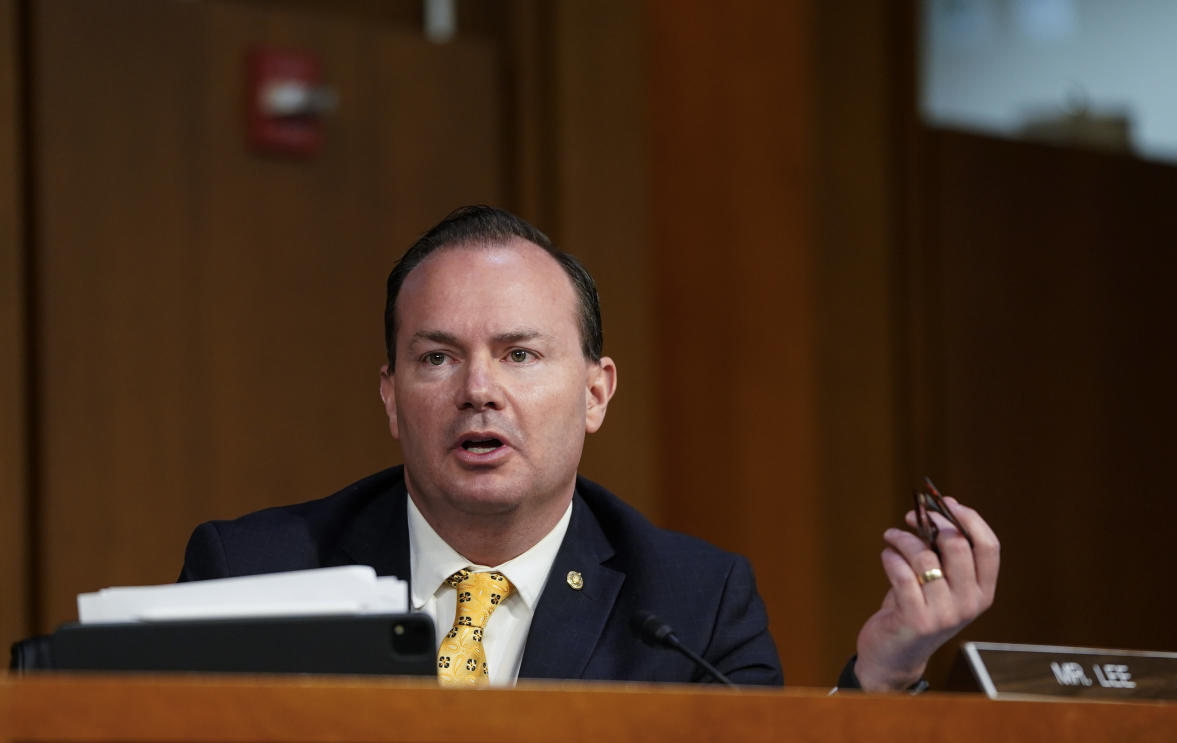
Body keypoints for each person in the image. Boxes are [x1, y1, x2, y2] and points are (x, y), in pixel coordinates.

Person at [179, 205, 1000, 690]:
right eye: (436, 358)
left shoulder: (691, 605)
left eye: (520, 354)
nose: (478, 389)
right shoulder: (256, 576)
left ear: (597, 391)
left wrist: (883, 673)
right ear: (392, 398)